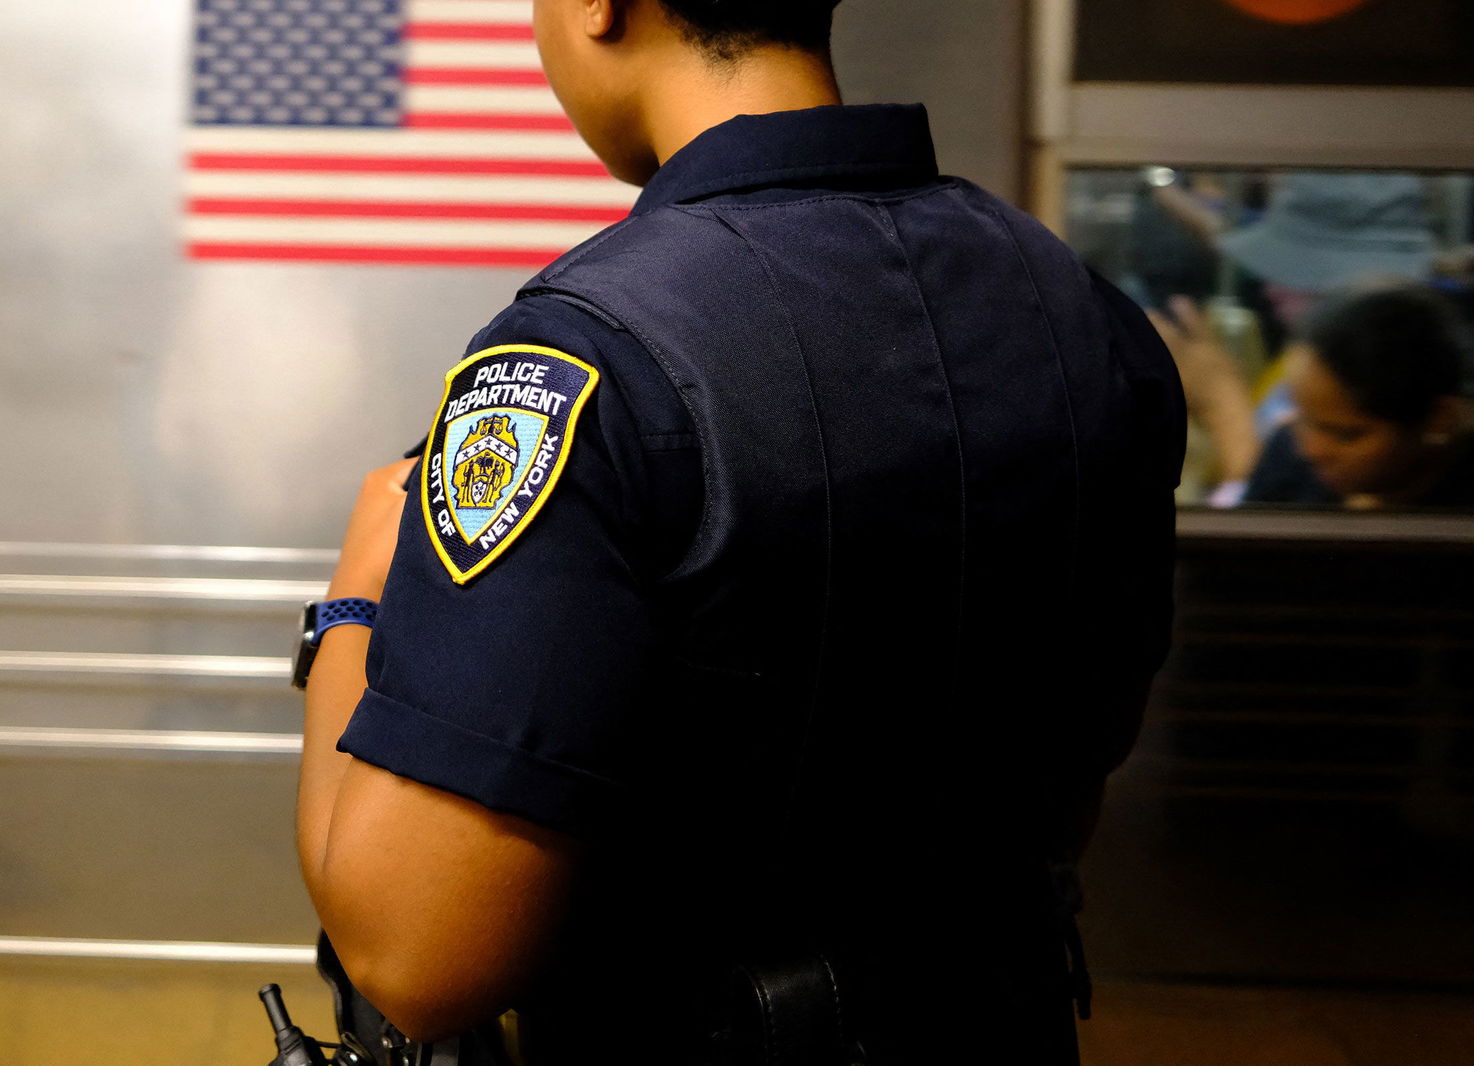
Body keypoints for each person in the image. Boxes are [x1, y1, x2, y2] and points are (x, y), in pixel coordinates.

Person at [293, 1, 1186, 1062]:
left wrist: (353, 598)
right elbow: (1067, 788)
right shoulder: (1081, 314)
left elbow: (417, 957)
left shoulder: (581, 365)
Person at [1166, 280, 1474, 510]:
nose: (1311, 448)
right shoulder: (1289, 458)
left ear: (1439, 420)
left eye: (1346, 435)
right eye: (1300, 416)